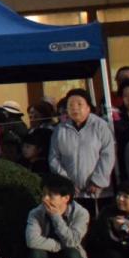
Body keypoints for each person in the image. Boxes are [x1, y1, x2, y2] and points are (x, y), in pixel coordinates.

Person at [48, 88, 115, 217]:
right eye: (70, 105)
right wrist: (67, 182)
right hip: (71, 191)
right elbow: (54, 158)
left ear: (89, 107)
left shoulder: (100, 126)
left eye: (79, 104)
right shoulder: (60, 129)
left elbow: (108, 154)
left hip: (97, 191)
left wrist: (97, 181)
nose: (75, 108)